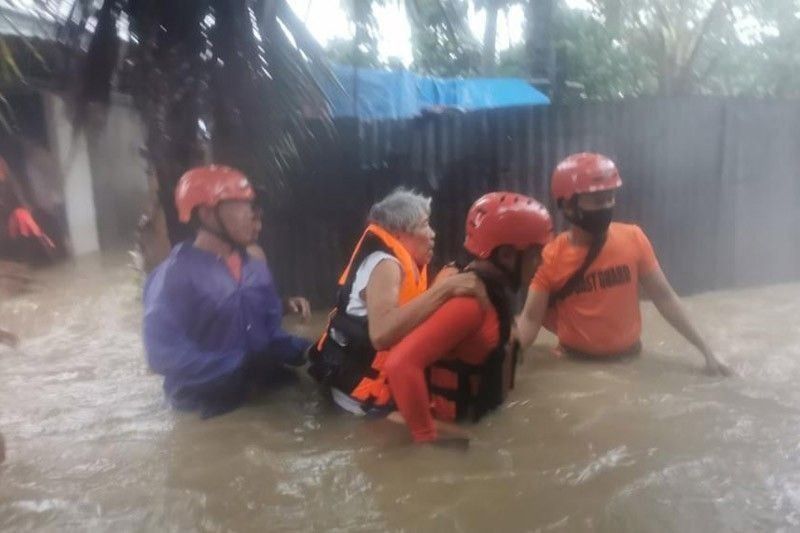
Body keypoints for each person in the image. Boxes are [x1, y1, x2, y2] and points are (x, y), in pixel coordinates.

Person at [515, 152, 731, 375]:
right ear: (569, 205)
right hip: (575, 367)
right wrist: (504, 362)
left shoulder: (634, 238)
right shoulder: (551, 256)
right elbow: (530, 319)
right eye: (598, 200)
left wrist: (705, 349)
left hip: (631, 361)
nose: (607, 205)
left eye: (610, 197)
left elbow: (664, 298)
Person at [381, 192, 553, 444]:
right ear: (506, 255)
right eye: (536, 253)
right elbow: (400, 364)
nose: (542, 261)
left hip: (478, 419)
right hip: (452, 428)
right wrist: (428, 437)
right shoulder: (470, 304)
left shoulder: (484, 286)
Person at [142, 164, 312, 418]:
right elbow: (163, 354)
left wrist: (308, 350)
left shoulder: (255, 269)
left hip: (257, 392)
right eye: (244, 207)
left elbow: (270, 334)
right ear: (208, 213)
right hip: (204, 406)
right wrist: (234, 365)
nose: (253, 216)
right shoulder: (173, 276)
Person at [308, 188, 488, 416]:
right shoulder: (386, 265)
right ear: (400, 233)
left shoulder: (400, 264)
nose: (432, 234)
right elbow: (382, 334)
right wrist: (444, 290)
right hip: (358, 404)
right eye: (424, 225)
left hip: (367, 394)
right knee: (460, 443)